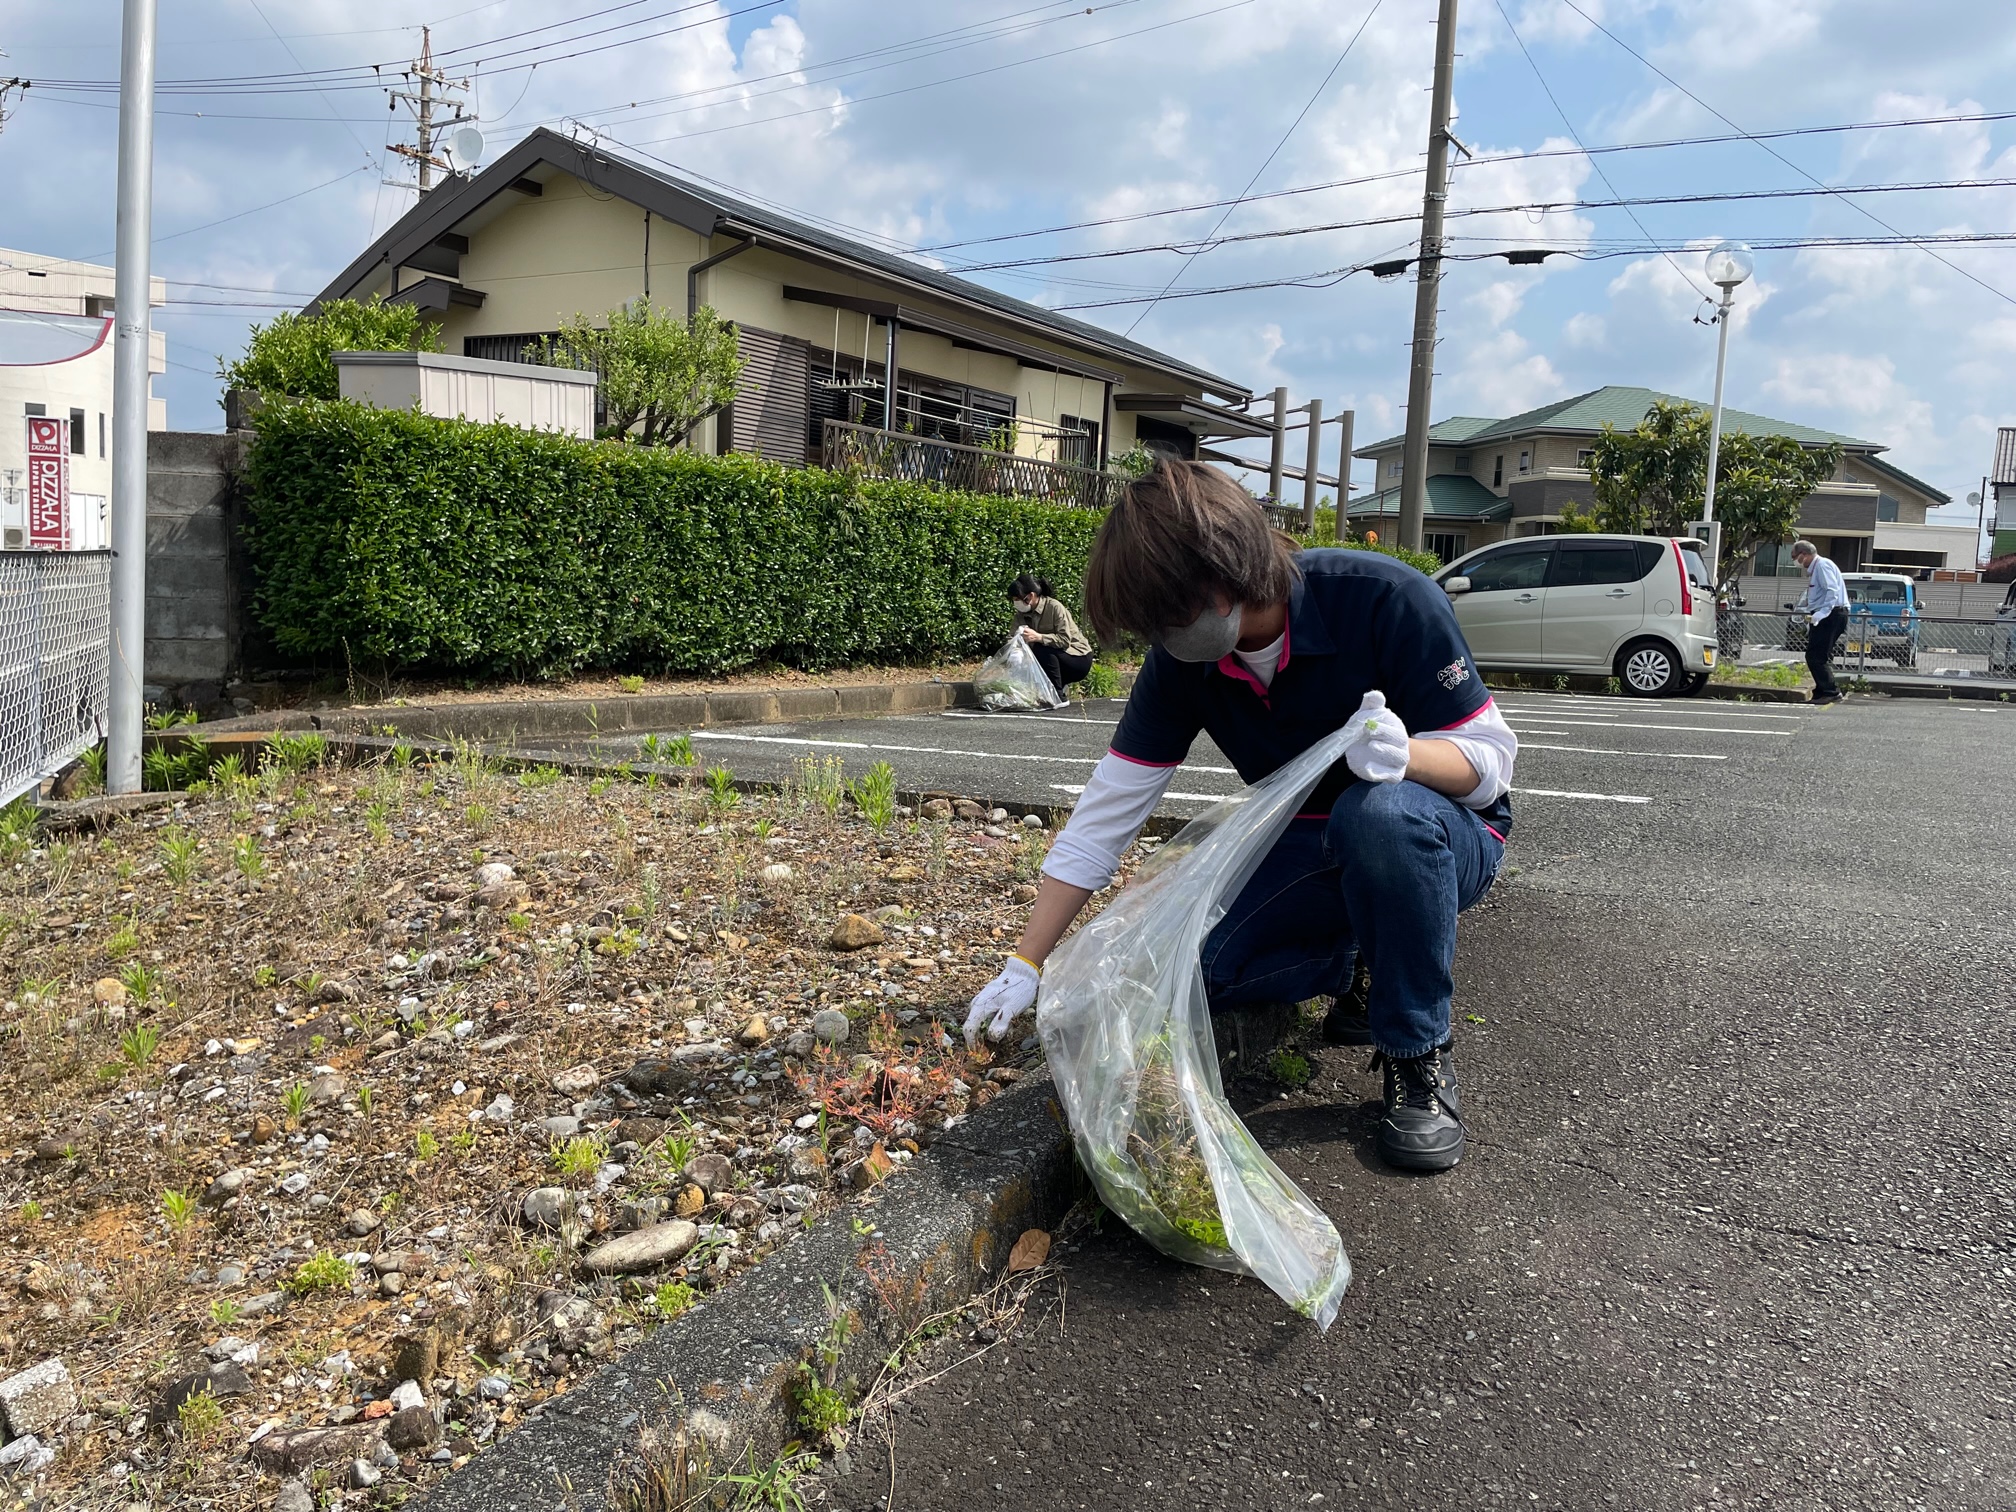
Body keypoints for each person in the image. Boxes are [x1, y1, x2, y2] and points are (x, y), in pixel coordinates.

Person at [964, 463, 1517, 1173]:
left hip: (1435, 833)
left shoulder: (1383, 600)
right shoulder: (1182, 662)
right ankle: (1359, 957)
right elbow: (1109, 810)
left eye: (1162, 615)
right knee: (1187, 971)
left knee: (1380, 816)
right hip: (1306, 846)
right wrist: (1026, 960)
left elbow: (1491, 765)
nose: (1156, 638)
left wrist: (1409, 756)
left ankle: (1416, 1052)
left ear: (1221, 578)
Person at [1009, 574, 1095, 694]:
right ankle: (1043, 691)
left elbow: (1064, 640)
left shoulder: (1054, 607)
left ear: (1031, 596)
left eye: (1018, 599)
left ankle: (1057, 694)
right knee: (1019, 656)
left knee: (1041, 648)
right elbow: (1010, 639)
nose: (1016, 603)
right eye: (1014, 600)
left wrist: (1039, 637)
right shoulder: (1020, 615)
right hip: (1052, 661)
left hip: (1077, 657)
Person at [1791, 539, 1849, 705]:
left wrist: (1822, 613)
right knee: (1818, 654)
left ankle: (1830, 691)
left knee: (1816, 656)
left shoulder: (1822, 565)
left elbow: (1832, 591)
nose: (1795, 561)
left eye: (1795, 557)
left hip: (1831, 614)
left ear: (1804, 554)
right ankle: (1821, 692)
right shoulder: (1817, 568)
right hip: (1828, 614)